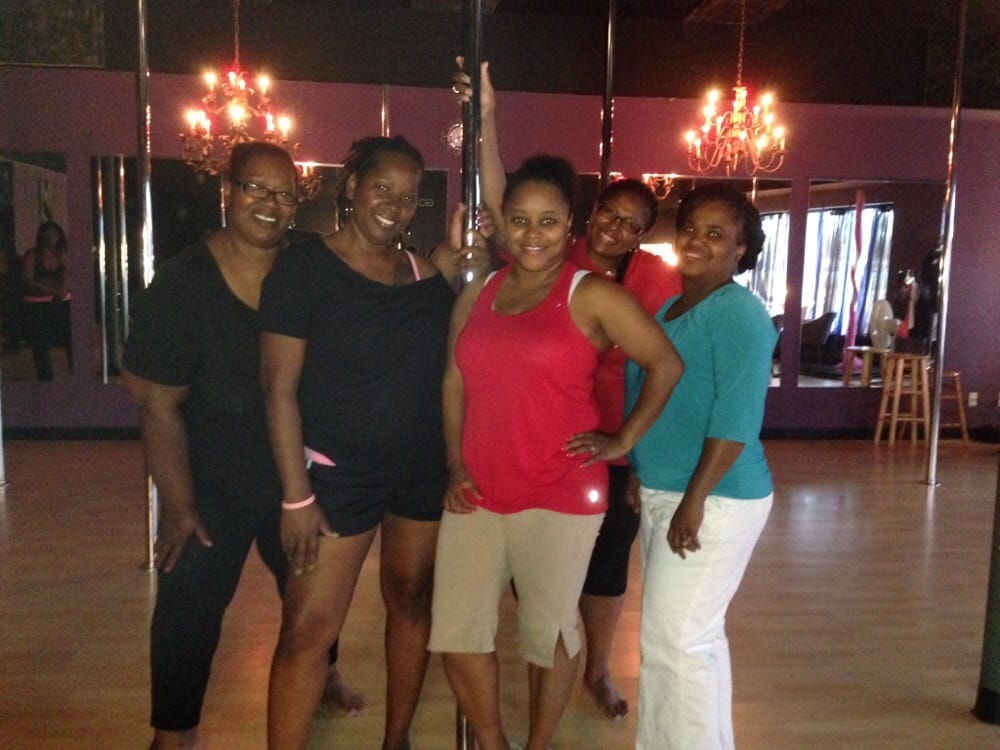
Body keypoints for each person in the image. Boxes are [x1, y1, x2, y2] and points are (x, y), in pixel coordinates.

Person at [453, 58, 683, 719]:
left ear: (643, 234)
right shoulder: (556, 256)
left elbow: (668, 363)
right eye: (610, 213)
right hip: (541, 447)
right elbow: (506, 199)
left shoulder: (653, 280)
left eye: (632, 223)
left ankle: (599, 671)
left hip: (607, 452)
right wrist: (486, 119)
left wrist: (633, 447)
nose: (616, 228)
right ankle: (557, 668)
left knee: (606, 573)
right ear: (589, 214)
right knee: (543, 595)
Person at [122, 141, 362, 750]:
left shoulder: (307, 268)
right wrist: (178, 505)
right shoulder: (183, 283)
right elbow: (158, 405)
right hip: (212, 481)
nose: (271, 203)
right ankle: (174, 728)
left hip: (297, 478)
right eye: (256, 187)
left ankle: (324, 673)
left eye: (285, 193)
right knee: (188, 602)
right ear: (228, 191)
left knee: (312, 590)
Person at [259, 135, 486, 750]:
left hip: (419, 470)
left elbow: (458, 280)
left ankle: (397, 739)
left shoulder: (422, 273)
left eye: (409, 196)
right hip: (336, 476)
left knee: (411, 600)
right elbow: (278, 390)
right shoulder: (303, 269)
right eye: (382, 187)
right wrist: (296, 496)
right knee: (307, 630)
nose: (395, 204)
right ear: (352, 186)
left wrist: (459, 247)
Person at [624, 183, 777, 750]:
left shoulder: (740, 314)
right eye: (690, 228)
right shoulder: (670, 309)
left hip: (715, 498)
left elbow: (736, 419)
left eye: (716, 234)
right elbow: (650, 396)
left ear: (741, 249)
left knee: (675, 643)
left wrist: (694, 500)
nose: (696, 241)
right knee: (692, 642)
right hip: (667, 489)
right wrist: (639, 467)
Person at [20, 220, 71, 380]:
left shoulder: (61, 255)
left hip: (60, 302)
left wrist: (63, 264)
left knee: (71, 340)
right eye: (47, 234)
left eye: (53, 233)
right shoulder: (33, 255)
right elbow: (27, 281)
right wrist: (49, 289)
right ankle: (46, 380)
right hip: (37, 304)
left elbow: (66, 286)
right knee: (40, 346)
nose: (50, 237)